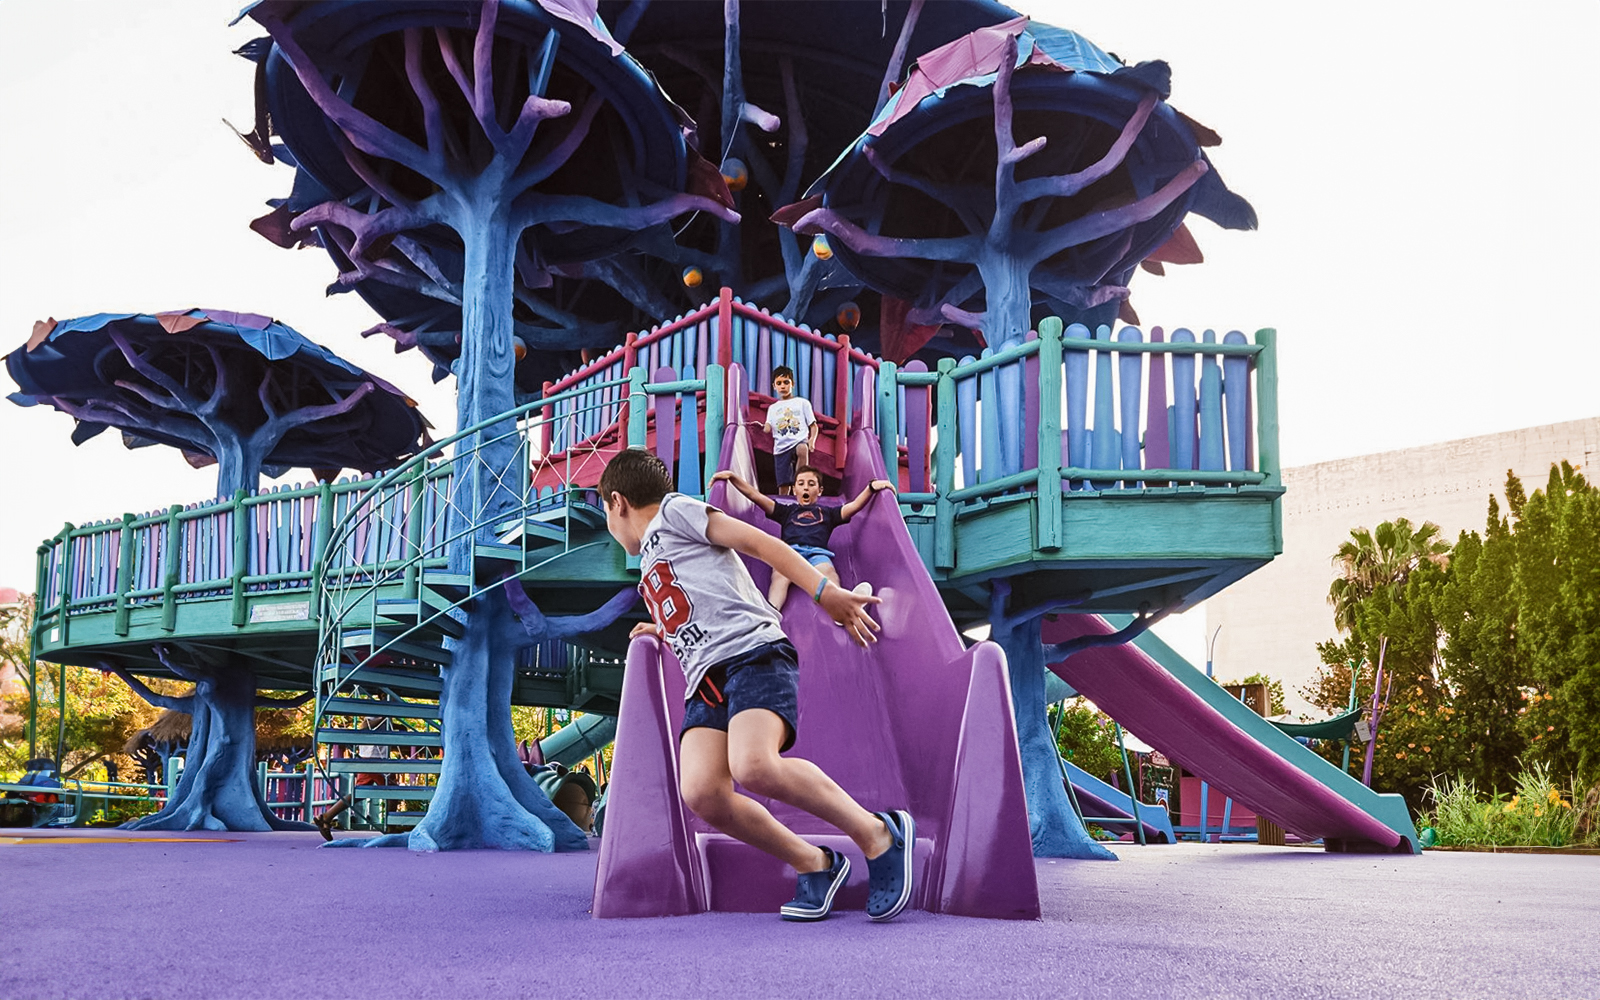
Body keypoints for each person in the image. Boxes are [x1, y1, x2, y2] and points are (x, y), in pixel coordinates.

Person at [600, 448, 915, 922]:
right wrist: (662, 628)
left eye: (604, 510)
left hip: (753, 653)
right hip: (706, 679)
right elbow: (699, 599)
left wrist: (823, 592)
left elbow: (763, 544)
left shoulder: (675, 511)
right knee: (703, 792)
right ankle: (816, 863)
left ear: (617, 502)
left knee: (754, 765)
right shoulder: (650, 557)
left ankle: (878, 834)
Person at [713, 466, 894, 611]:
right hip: (789, 551)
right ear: (794, 489)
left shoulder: (829, 513)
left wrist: (871, 488)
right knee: (780, 576)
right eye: (801, 483)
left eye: (811, 483)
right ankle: (771, 612)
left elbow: (854, 506)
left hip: (817, 553)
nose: (806, 487)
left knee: (828, 574)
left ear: (820, 490)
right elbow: (756, 497)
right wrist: (733, 478)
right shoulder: (786, 511)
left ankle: (845, 606)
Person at [763, 366, 817, 496]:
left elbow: (813, 425)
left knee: (802, 449)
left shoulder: (802, 403)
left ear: (792, 384)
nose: (783, 386)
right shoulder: (773, 408)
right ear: (774, 386)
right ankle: (784, 504)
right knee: (783, 485)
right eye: (779, 383)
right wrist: (765, 428)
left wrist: (812, 441)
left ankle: (800, 479)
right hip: (781, 448)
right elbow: (768, 426)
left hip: (798, 441)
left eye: (786, 382)